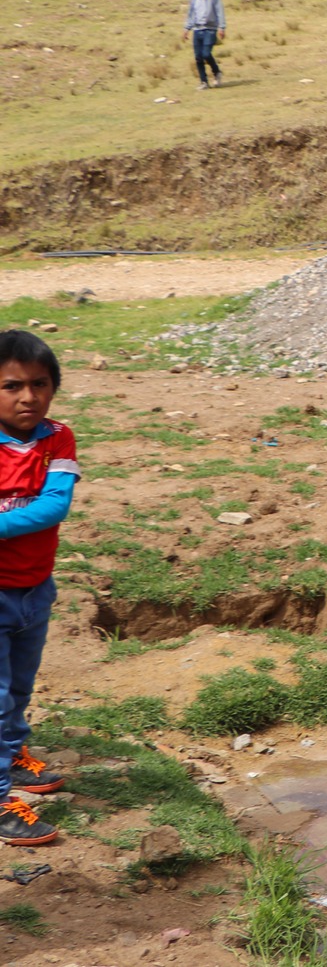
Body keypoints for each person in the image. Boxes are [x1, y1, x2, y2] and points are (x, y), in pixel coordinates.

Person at [0, 332, 78, 848]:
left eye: (39, 384)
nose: (28, 396)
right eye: (11, 386)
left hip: (35, 588)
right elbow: (41, 508)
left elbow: (55, 506)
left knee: (20, 686)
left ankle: (12, 754)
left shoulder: (58, 438)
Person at [182, 0, 224, 90]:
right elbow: (191, 14)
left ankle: (217, 72)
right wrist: (186, 29)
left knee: (206, 54)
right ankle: (204, 82)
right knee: (198, 57)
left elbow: (219, 11)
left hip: (210, 29)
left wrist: (221, 27)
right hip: (197, 29)